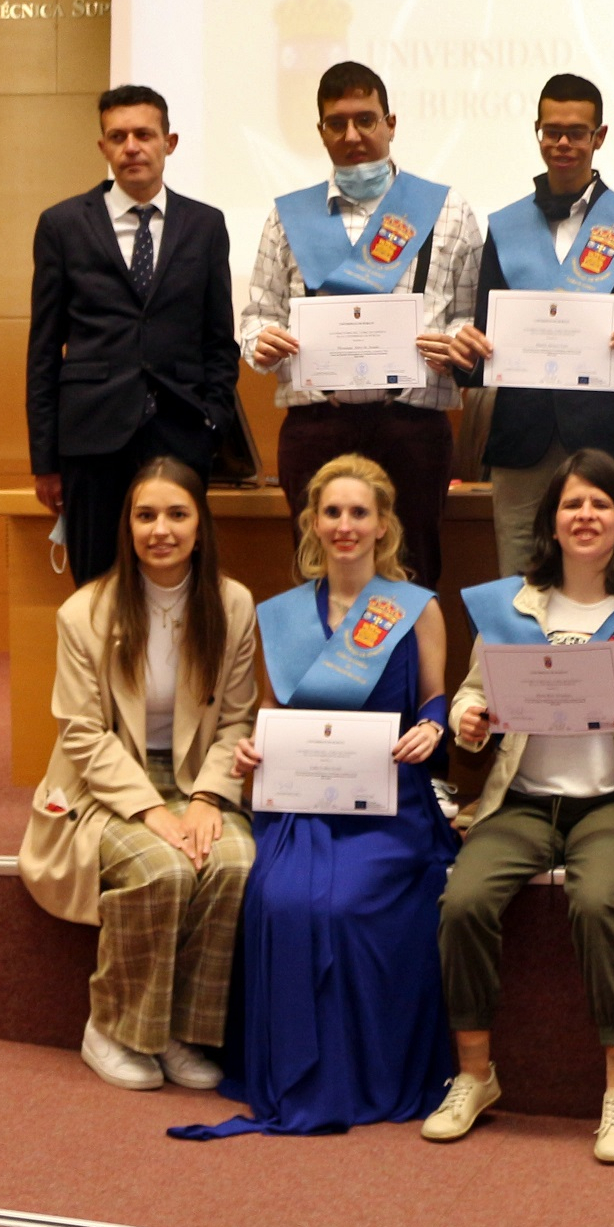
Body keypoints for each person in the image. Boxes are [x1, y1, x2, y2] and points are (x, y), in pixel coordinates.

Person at [171, 455, 459, 1139]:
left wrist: (432, 727)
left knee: (353, 901)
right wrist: (251, 754)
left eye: (360, 512)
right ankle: (296, 1072)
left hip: (391, 803)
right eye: (332, 512)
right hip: (300, 803)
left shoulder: (416, 610)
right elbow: (271, 714)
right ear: (312, 523)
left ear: (384, 524)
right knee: (282, 897)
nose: (345, 525)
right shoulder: (282, 617)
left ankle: (366, 1074)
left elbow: (436, 699)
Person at [426, 449, 614, 1162]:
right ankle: (475, 1075)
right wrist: (471, 721)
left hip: (613, 803)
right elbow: (468, 695)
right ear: (551, 520)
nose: (585, 516)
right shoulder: (510, 607)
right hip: (520, 802)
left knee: (599, 902)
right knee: (462, 901)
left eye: (600, 505)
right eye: (572, 504)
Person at [22, 458, 257, 1092]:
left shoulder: (233, 605)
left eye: (177, 514)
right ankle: (114, 1027)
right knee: (163, 865)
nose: (161, 529)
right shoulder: (83, 613)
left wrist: (207, 797)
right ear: (127, 527)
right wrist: (154, 812)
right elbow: (82, 734)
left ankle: (181, 1032)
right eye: (145, 515)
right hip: (104, 785)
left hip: (193, 776)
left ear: (200, 526)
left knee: (231, 861)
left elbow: (238, 722)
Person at [237, 60, 483, 588]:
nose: (353, 136)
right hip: (316, 425)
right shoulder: (289, 216)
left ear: (391, 123)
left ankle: (408, 676)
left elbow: (471, 315)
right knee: (316, 577)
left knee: (414, 574)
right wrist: (263, 343)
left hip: (411, 427)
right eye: (338, 123)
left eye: (366, 120)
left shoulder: (448, 210)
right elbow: (256, 317)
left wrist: (458, 342)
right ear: (321, 131)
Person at [446, 73, 614, 576]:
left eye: (576, 132)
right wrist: (464, 356)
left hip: (608, 440)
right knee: (519, 588)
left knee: (609, 589)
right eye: (551, 131)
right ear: (537, 132)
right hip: (519, 443)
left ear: (599, 138)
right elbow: (483, 346)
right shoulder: (505, 226)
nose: (562, 143)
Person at [27, 86, 240, 583]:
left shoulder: (205, 225)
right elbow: (43, 350)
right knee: (98, 584)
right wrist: (45, 460)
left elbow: (219, 340)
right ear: (102, 147)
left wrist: (213, 421)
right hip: (91, 439)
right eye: (117, 136)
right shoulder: (61, 225)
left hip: (181, 432)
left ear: (170, 142)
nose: (132, 147)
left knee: (179, 582)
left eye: (144, 135)